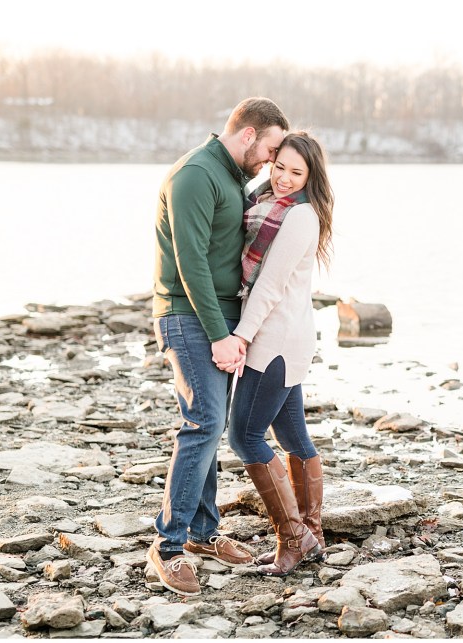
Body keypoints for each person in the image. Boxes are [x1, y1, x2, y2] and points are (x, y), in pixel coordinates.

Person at [149, 97, 289, 596]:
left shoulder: (231, 176)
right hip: (188, 318)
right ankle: (168, 546)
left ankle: (203, 533)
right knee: (204, 422)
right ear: (249, 134)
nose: (271, 161)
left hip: (219, 320)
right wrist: (218, 334)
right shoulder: (195, 175)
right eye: (271, 150)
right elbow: (191, 263)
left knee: (210, 425)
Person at [226, 131, 334, 575]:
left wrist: (241, 336)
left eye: (296, 172)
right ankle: (312, 533)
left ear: (311, 177)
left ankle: (293, 538)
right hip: (290, 334)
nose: (284, 178)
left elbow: (269, 285)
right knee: (292, 436)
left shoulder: (299, 217)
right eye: (279, 167)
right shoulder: (270, 205)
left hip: (276, 340)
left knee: (244, 436)